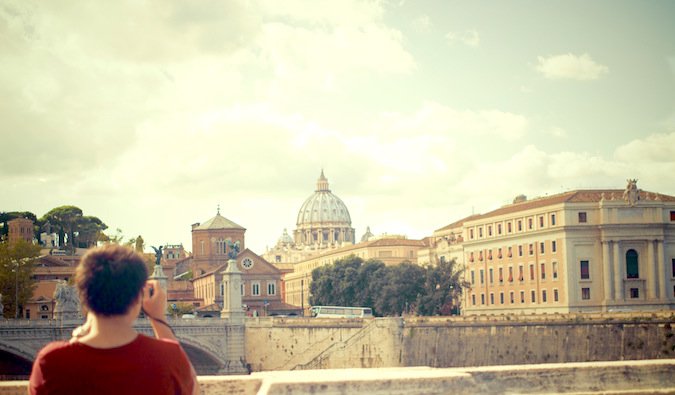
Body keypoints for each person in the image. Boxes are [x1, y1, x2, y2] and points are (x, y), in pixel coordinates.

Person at [29, 244, 198, 395]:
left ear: (82, 295)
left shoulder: (51, 361)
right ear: (139, 297)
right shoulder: (168, 357)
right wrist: (158, 318)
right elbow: (192, 390)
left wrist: (81, 333)